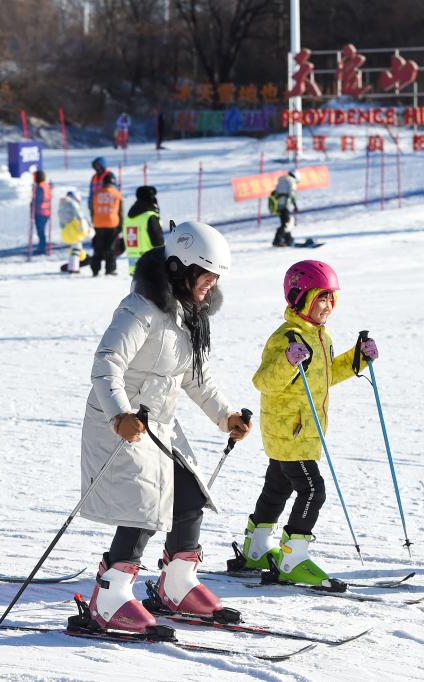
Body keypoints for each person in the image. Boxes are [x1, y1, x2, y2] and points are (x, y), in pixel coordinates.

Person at [79, 220, 251, 633]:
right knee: (144, 505)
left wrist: (226, 415)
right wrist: (119, 416)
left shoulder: (188, 313)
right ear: (179, 268)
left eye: (216, 277)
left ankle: (177, 583)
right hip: (121, 422)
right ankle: (110, 595)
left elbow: (195, 377)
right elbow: (106, 364)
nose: (211, 284)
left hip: (159, 425)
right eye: (206, 274)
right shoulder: (140, 309)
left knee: (189, 495)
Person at [237, 260, 377, 586]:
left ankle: (256, 548)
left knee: (278, 487)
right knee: (313, 490)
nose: (327, 305)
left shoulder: (320, 338)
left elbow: (326, 376)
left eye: (331, 298)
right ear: (301, 297)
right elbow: (264, 381)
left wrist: (358, 357)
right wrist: (288, 361)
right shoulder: (286, 338)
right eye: (320, 298)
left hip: (300, 431)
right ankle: (293, 558)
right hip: (291, 432)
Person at [123, 186, 164, 276]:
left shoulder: (128, 218)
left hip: (134, 267)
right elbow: (158, 242)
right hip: (151, 267)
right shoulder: (150, 217)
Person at [90, 173, 122, 277]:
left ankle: (95, 269)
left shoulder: (96, 194)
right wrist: (121, 225)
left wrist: (94, 221)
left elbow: (92, 209)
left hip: (98, 224)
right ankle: (110, 269)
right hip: (112, 224)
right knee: (110, 248)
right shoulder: (117, 194)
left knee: (98, 248)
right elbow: (120, 211)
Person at [59, 190, 93, 273]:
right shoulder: (73, 204)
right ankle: (73, 267)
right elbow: (80, 216)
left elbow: (61, 220)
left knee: (75, 248)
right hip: (74, 230)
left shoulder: (62, 205)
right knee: (76, 248)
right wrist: (84, 226)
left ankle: (74, 264)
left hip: (66, 230)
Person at [270, 170, 298, 247]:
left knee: (285, 222)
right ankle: (277, 240)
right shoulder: (292, 181)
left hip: (279, 205)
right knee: (286, 223)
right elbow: (292, 193)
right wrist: (295, 204)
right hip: (286, 205)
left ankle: (288, 240)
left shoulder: (281, 181)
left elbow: (275, 192)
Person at [31, 169, 52, 256]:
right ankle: (42, 246)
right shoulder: (46, 186)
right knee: (41, 231)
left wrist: (32, 207)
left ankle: (42, 247)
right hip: (46, 211)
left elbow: (38, 201)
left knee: (40, 231)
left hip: (40, 212)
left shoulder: (39, 187)